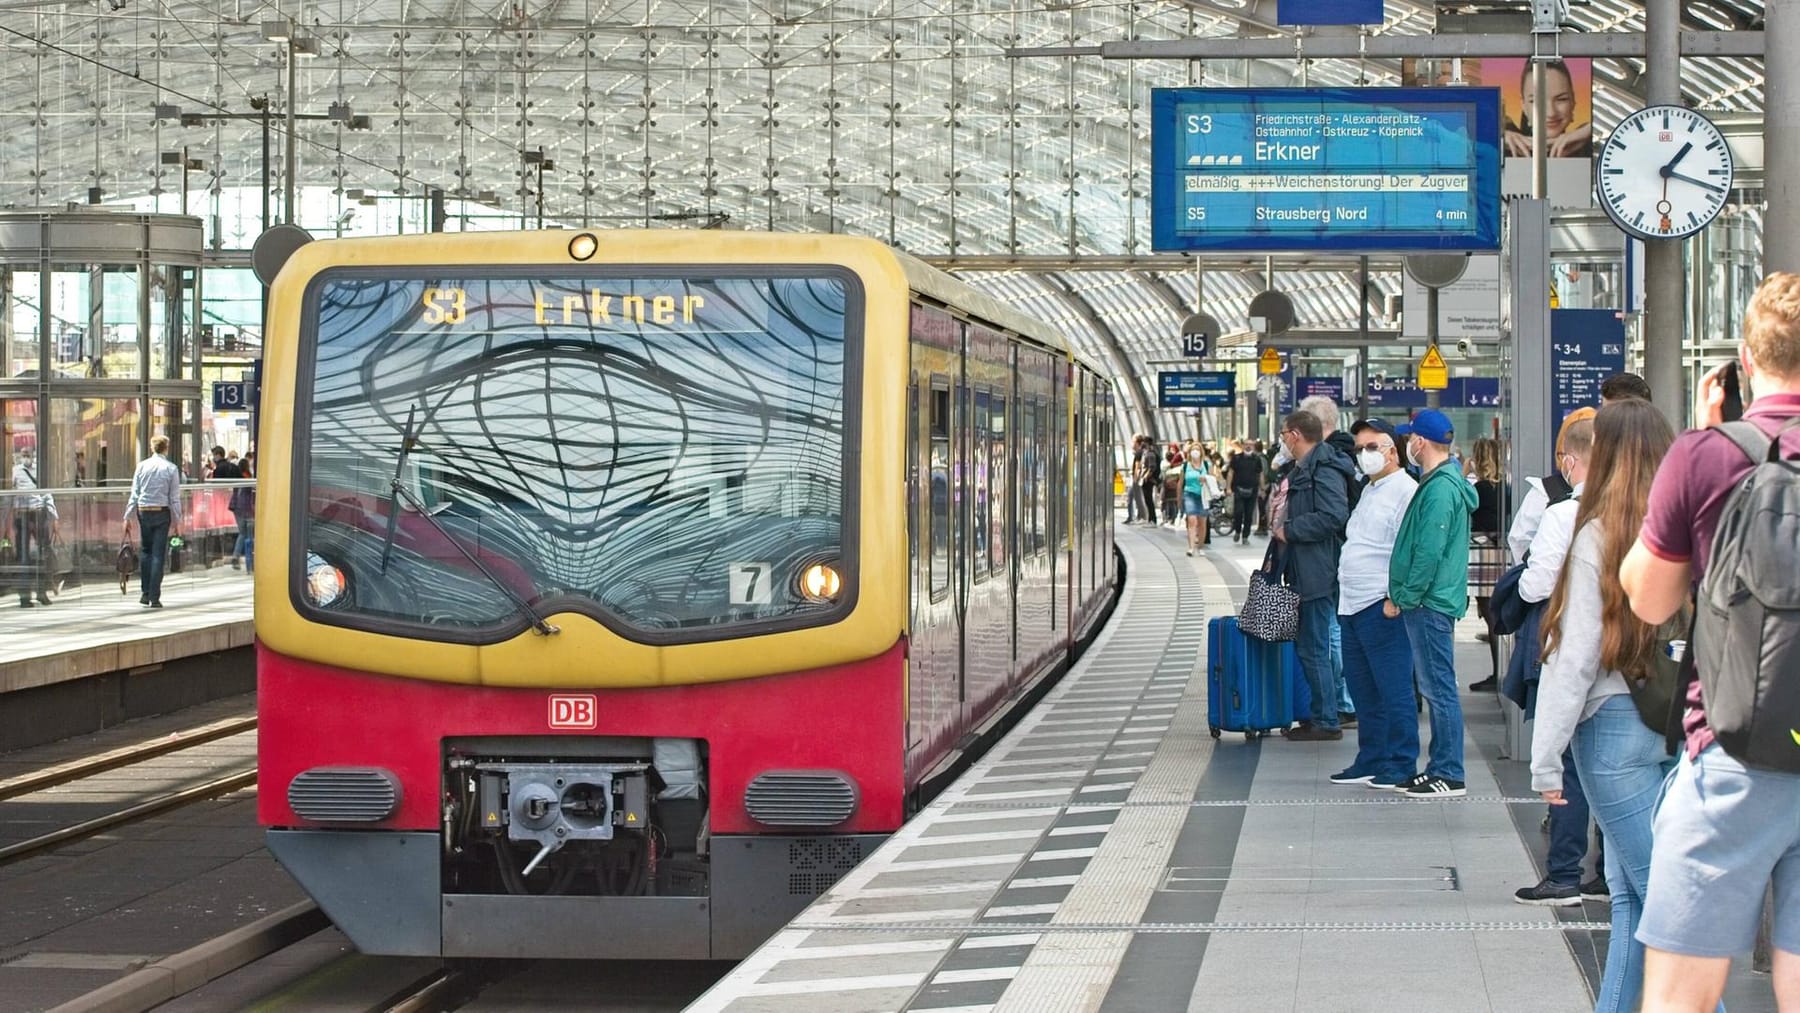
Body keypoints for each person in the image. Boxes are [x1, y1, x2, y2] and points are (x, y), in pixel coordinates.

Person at [1621, 272, 1800, 1012]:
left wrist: (1703, 438)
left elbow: (1651, 597)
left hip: (1734, 754)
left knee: (1680, 1000)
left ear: (1744, 363)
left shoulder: (1706, 454)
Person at [1532, 399, 1676, 1012]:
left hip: (1611, 728)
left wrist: (1544, 757)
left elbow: (1576, 656)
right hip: (1672, 719)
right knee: (1631, 896)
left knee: (1662, 907)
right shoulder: (1687, 523)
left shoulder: (1599, 530)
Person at [1386, 408, 1476, 796]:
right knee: (1436, 684)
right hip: (1431, 600)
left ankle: (1449, 771)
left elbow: (1428, 552)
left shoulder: (1439, 489)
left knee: (1438, 686)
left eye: (1410, 438)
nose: (1408, 443)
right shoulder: (1440, 482)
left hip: (1429, 602)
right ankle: (1439, 764)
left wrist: (1403, 596)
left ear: (1421, 442)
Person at [1330, 418, 1419, 788]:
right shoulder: (1369, 489)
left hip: (1381, 604)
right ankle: (1371, 757)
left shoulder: (1406, 491)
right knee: (1363, 687)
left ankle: (1401, 762)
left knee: (1393, 687)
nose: (1363, 455)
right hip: (1351, 604)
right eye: (1359, 449)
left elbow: (1410, 549)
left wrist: (1394, 596)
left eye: (1370, 448)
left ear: (1391, 451)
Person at [1272, 411, 1353, 742]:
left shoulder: (1324, 468)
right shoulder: (1307, 467)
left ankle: (1326, 719)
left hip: (1319, 570)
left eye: (1283, 435)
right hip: (1306, 567)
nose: (1282, 441)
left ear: (1294, 435)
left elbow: (1335, 515)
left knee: (1315, 646)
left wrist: (1289, 531)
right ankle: (1322, 714)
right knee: (1311, 646)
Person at [1468, 437, 1508, 691]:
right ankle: (1499, 670)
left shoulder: (1479, 488)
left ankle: (1497, 673)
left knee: (1489, 613)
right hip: (1500, 552)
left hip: (1483, 552)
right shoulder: (1504, 487)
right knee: (1494, 614)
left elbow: (1467, 509)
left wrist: (1464, 475)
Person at [124, 435, 183, 609]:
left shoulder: (141, 466)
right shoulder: (171, 469)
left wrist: (127, 516)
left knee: (146, 551)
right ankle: (155, 597)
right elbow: (174, 498)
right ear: (166, 448)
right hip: (161, 512)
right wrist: (177, 520)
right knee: (158, 554)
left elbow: (134, 493)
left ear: (152, 448)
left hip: (143, 511)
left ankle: (145, 593)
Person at [1503, 58, 1592, 158]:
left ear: (1573, 101)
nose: (1551, 113)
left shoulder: (1588, 144)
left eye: (1561, 99)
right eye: (1538, 101)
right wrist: (1496, 137)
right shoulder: (1502, 143)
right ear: (1523, 104)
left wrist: (1587, 132)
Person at [9, 447, 55, 608]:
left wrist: (53, 516)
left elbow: (46, 494)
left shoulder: (39, 470)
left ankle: (42, 593)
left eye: (28, 455)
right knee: (23, 558)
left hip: (37, 514)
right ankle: (24, 596)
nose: (26, 458)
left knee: (43, 554)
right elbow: (11, 493)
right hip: (22, 514)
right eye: (24, 455)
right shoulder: (15, 471)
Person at [1181, 444, 1219, 557]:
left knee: (1202, 522)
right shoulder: (1185, 466)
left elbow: (1213, 479)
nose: (1195, 452)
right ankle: (1191, 547)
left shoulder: (1207, 465)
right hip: (1189, 494)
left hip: (1203, 496)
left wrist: (1206, 479)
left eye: (1197, 449)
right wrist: (1179, 498)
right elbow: (1181, 482)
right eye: (1193, 449)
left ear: (1201, 452)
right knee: (1192, 520)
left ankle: (1200, 547)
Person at [1226, 439, 1264, 543]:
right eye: (1246, 444)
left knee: (1249, 514)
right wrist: (1228, 487)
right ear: (1243, 446)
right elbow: (1230, 473)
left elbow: (1260, 474)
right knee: (1238, 512)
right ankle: (1237, 531)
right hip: (1238, 489)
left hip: (1252, 490)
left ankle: (1245, 536)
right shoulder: (1236, 458)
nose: (1248, 446)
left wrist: (1262, 488)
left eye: (1250, 445)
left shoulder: (1257, 459)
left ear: (1253, 447)